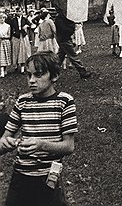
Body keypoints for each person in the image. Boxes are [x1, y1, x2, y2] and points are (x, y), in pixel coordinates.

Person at [0, 51, 77, 206]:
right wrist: (6, 143)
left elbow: (69, 146)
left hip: (49, 177)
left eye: (38, 75)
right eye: (29, 75)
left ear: (54, 76)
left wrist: (42, 145)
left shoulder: (64, 102)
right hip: (21, 176)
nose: (31, 81)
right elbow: (3, 140)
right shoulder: (23, 102)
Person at [54, 10, 92, 79]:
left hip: (63, 39)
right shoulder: (60, 19)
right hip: (64, 39)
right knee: (73, 55)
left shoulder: (62, 18)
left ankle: (52, 71)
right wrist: (72, 27)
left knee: (60, 56)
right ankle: (82, 71)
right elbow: (65, 30)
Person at [9, 8, 31, 73]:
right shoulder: (13, 20)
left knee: (23, 51)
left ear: (22, 12)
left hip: (23, 36)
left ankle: (22, 68)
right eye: (17, 11)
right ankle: (16, 66)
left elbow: (31, 25)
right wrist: (13, 34)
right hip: (16, 37)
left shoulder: (25, 19)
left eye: (19, 11)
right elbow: (10, 28)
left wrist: (26, 26)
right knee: (16, 51)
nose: (18, 13)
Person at [0, 12, 11, 78]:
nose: (2, 19)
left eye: (3, 18)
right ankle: (1, 71)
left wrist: (4, 37)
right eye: (0, 18)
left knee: (6, 55)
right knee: (1, 56)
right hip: (0, 42)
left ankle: (5, 69)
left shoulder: (8, 26)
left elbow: (9, 35)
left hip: (6, 41)